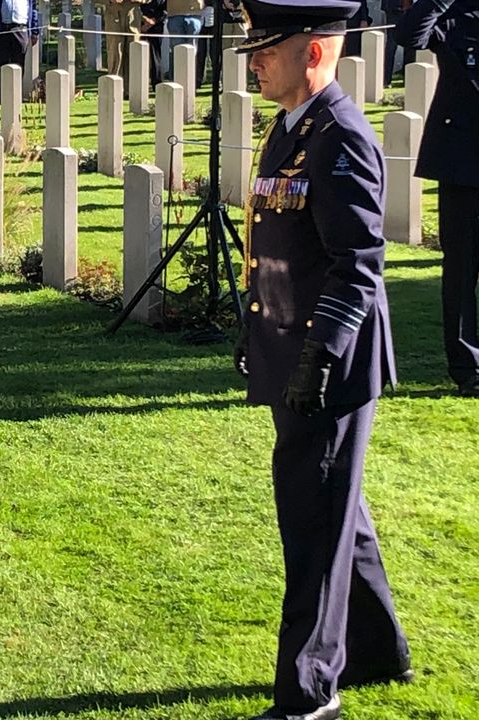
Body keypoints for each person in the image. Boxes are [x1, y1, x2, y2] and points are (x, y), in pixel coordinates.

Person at [234, 1, 413, 717]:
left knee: (312, 521)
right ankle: (378, 650)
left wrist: (319, 358)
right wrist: (256, 330)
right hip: (293, 350)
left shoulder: (339, 137)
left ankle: (309, 693)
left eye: (268, 48)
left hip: (329, 364)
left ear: (312, 53)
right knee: (338, 508)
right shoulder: (290, 129)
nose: (255, 60)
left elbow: (358, 264)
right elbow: (279, 247)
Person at [394, 0, 479, 396]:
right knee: (461, 271)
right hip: (462, 163)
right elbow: (409, 35)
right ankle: (468, 367)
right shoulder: (454, 14)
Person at [0, 0, 31, 102]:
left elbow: (32, 10)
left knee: (19, 62)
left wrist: (34, 32)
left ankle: (16, 96)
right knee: (0, 62)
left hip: (20, 28)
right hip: (1, 28)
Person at [105, 0, 145, 78]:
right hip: (113, 14)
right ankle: (115, 82)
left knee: (134, 50)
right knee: (115, 51)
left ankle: (134, 83)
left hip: (133, 15)